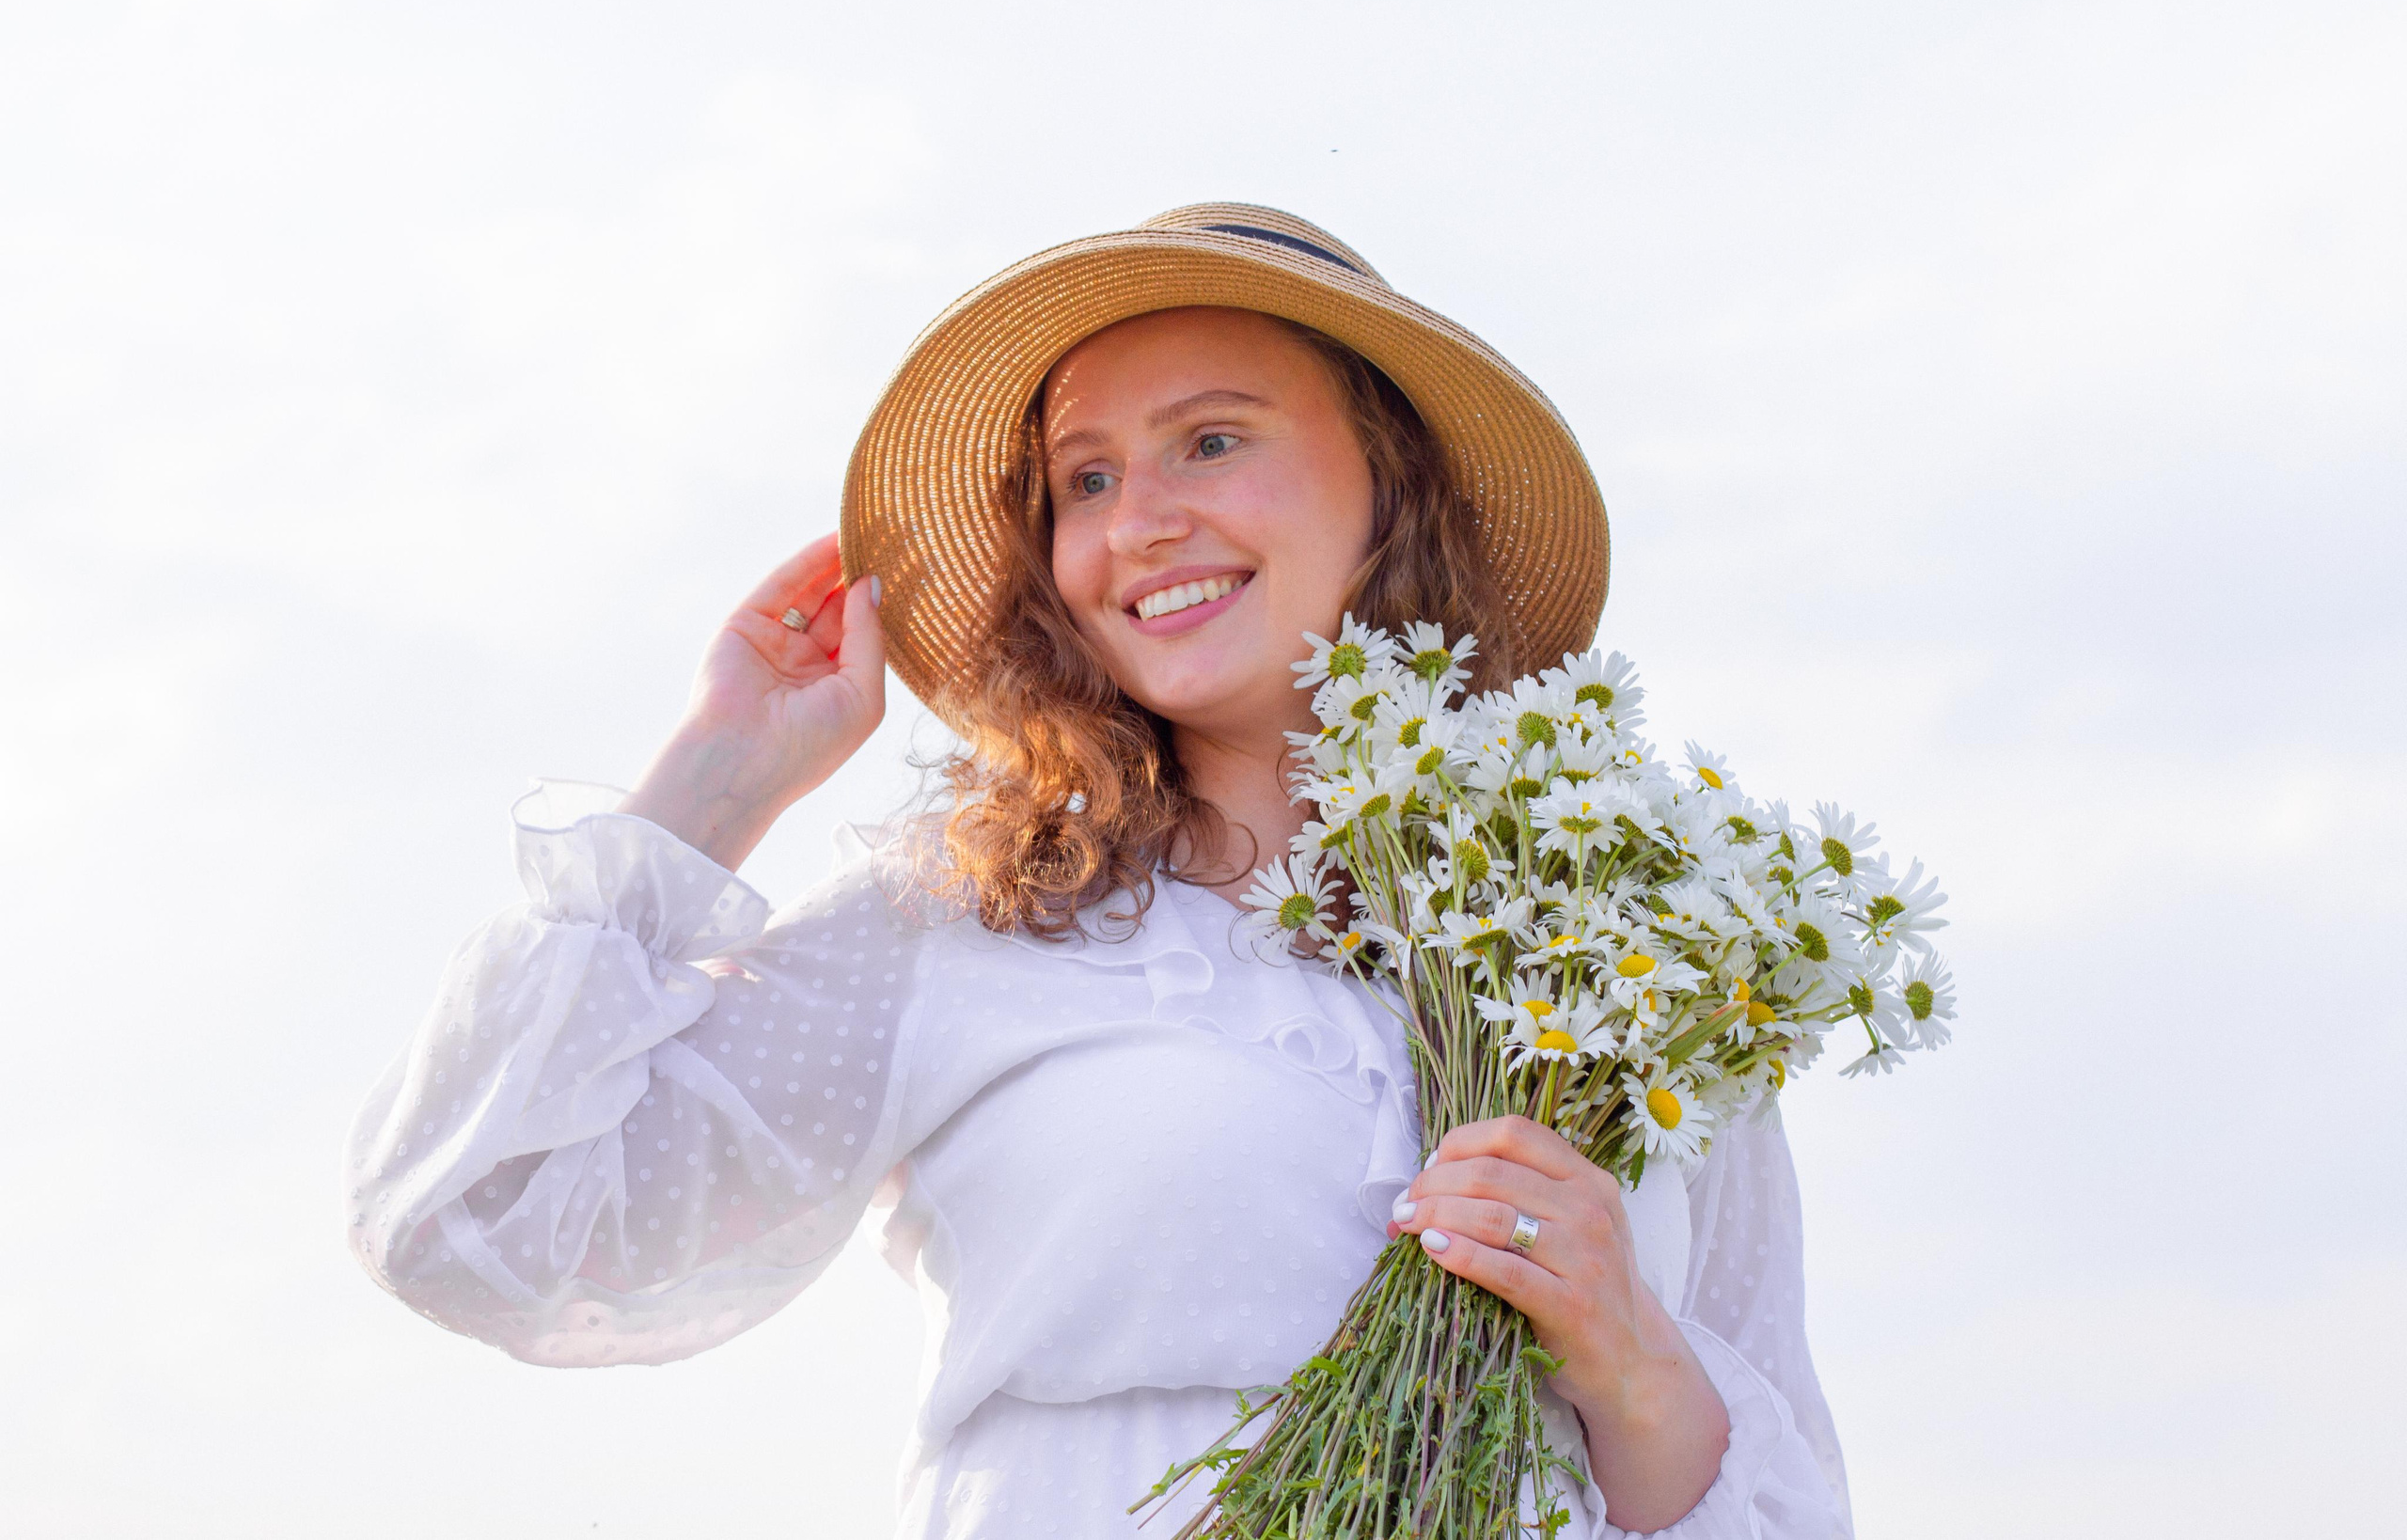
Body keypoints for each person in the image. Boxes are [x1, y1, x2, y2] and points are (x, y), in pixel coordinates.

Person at [342, 204, 1852, 1537]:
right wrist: (716, 783)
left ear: (1389, 482)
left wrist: (1634, 1361)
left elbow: (1775, 1491)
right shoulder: (963, 921)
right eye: (1083, 479)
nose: (1138, 524)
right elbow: (481, 1226)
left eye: (1213, 440)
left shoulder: (1619, 965)